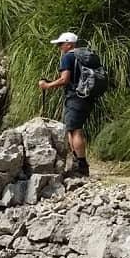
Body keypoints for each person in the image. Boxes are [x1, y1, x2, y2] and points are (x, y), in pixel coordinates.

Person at [39, 31, 91, 178]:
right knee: (72, 129)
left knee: (75, 130)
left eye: (61, 44)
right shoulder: (83, 56)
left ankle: (81, 165)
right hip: (86, 96)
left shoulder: (68, 57)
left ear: (69, 44)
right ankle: (78, 162)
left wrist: (47, 86)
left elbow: (65, 79)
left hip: (75, 97)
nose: (59, 47)